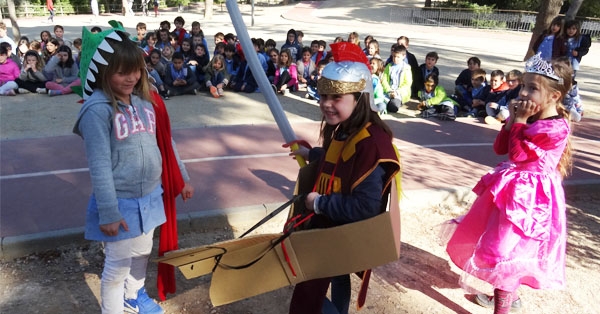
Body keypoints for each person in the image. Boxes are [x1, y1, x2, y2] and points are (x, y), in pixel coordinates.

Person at [73, 25, 193, 313]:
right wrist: (109, 212)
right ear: (103, 70)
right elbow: (99, 165)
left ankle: (133, 297)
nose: (132, 78)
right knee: (117, 265)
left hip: (151, 195)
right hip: (121, 201)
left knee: (142, 252)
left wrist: (183, 178)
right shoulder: (96, 110)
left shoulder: (145, 102)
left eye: (136, 70)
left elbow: (166, 143)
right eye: (122, 72)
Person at [445, 54, 573, 314]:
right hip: (512, 192)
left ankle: (504, 305)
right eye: (523, 85)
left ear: (554, 97)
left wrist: (521, 122)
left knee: (505, 251)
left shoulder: (556, 128)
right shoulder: (529, 115)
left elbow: (518, 155)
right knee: (499, 246)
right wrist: (511, 121)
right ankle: (507, 296)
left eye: (533, 88)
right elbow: (500, 147)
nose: (523, 93)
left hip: (532, 200)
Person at [285, 41, 400, 314]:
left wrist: (319, 203)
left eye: (336, 98)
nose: (326, 104)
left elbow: (365, 208)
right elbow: (336, 160)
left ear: (360, 98)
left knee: (309, 298)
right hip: (331, 227)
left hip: (344, 233)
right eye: (323, 96)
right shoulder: (345, 128)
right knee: (334, 278)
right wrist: (313, 155)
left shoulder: (373, 144)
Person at [381, 44, 412, 113]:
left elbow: (407, 83)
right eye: (394, 56)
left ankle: (391, 103)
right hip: (388, 91)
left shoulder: (406, 68)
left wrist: (397, 92)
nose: (395, 59)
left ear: (403, 56)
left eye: (398, 57)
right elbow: (384, 80)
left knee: (393, 107)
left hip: (399, 93)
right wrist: (389, 91)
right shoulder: (389, 66)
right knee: (377, 102)